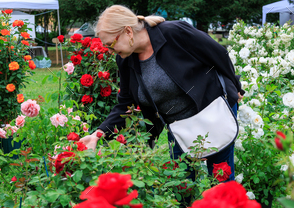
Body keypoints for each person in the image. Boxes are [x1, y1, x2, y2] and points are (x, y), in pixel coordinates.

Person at [80, 5, 244, 181]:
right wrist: (97, 134)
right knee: (181, 185)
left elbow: (217, 54)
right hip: (179, 127)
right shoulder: (125, 60)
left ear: (128, 31)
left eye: (110, 45)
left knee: (221, 181)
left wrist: (235, 87)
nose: (110, 51)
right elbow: (125, 105)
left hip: (212, 112)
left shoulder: (174, 33)